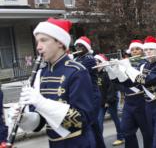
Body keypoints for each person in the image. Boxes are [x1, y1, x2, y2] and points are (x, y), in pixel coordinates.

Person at [9, 18, 97, 148]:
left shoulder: (77, 71)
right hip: (54, 143)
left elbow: (81, 119)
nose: (38, 47)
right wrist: (23, 118)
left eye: (43, 40)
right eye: (37, 41)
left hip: (78, 143)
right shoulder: (42, 73)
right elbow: (40, 122)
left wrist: (41, 102)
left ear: (60, 42)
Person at [117, 36, 156, 148]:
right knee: (151, 136)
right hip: (148, 106)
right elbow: (133, 84)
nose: (147, 52)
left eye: (150, 50)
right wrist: (115, 72)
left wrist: (128, 68)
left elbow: (146, 80)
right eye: (146, 50)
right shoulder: (145, 65)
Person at [118, 40, 152, 148]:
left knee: (146, 132)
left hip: (141, 99)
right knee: (126, 130)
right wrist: (114, 70)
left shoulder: (146, 63)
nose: (134, 52)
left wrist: (128, 68)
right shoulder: (126, 63)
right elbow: (121, 82)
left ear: (142, 51)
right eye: (132, 50)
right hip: (129, 101)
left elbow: (140, 80)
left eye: (137, 49)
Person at [73, 36, 105, 147]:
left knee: (91, 124)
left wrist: (67, 60)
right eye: (77, 46)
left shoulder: (90, 59)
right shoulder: (76, 59)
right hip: (85, 95)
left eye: (81, 46)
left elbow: (77, 70)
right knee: (93, 125)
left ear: (86, 48)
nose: (78, 48)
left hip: (93, 95)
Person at [94, 54, 125, 146]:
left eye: (97, 61)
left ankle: (121, 137)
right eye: (95, 61)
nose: (96, 63)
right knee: (99, 122)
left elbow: (111, 89)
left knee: (115, 119)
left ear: (102, 63)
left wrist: (108, 101)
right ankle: (99, 141)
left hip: (110, 101)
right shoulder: (95, 74)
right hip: (100, 102)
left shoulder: (108, 73)